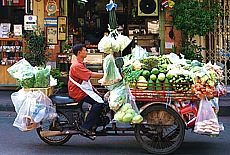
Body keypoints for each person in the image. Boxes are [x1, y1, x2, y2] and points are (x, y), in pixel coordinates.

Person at [68, 44, 104, 136]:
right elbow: (91, 75)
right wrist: (107, 75)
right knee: (98, 103)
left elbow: (86, 80)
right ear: (79, 53)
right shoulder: (76, 65)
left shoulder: (80, 63)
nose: (86, 52)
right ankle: (86, 126)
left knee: (100, 99)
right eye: (85, 50)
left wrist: (94, 89)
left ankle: (93, 122)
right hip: (78, 91)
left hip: (82, 89)